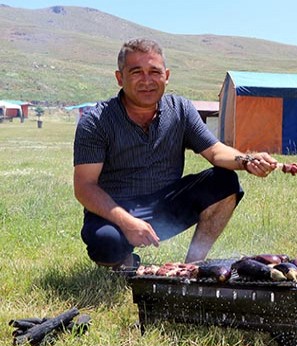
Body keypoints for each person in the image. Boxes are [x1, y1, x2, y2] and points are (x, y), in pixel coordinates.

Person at [73, 38, 278, 270]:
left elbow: (215, 151)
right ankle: (125, 262)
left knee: (225, 181)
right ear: (120, 78)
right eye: (136, 72)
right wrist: (127, 222)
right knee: (106, 244)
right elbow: (85, 187)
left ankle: (192, 267)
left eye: (154, 72)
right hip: (115, 209)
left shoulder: (180, 110)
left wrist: (247, 160)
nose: (147, 81)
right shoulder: (96, 121)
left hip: (164, 206)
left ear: (167, 76)